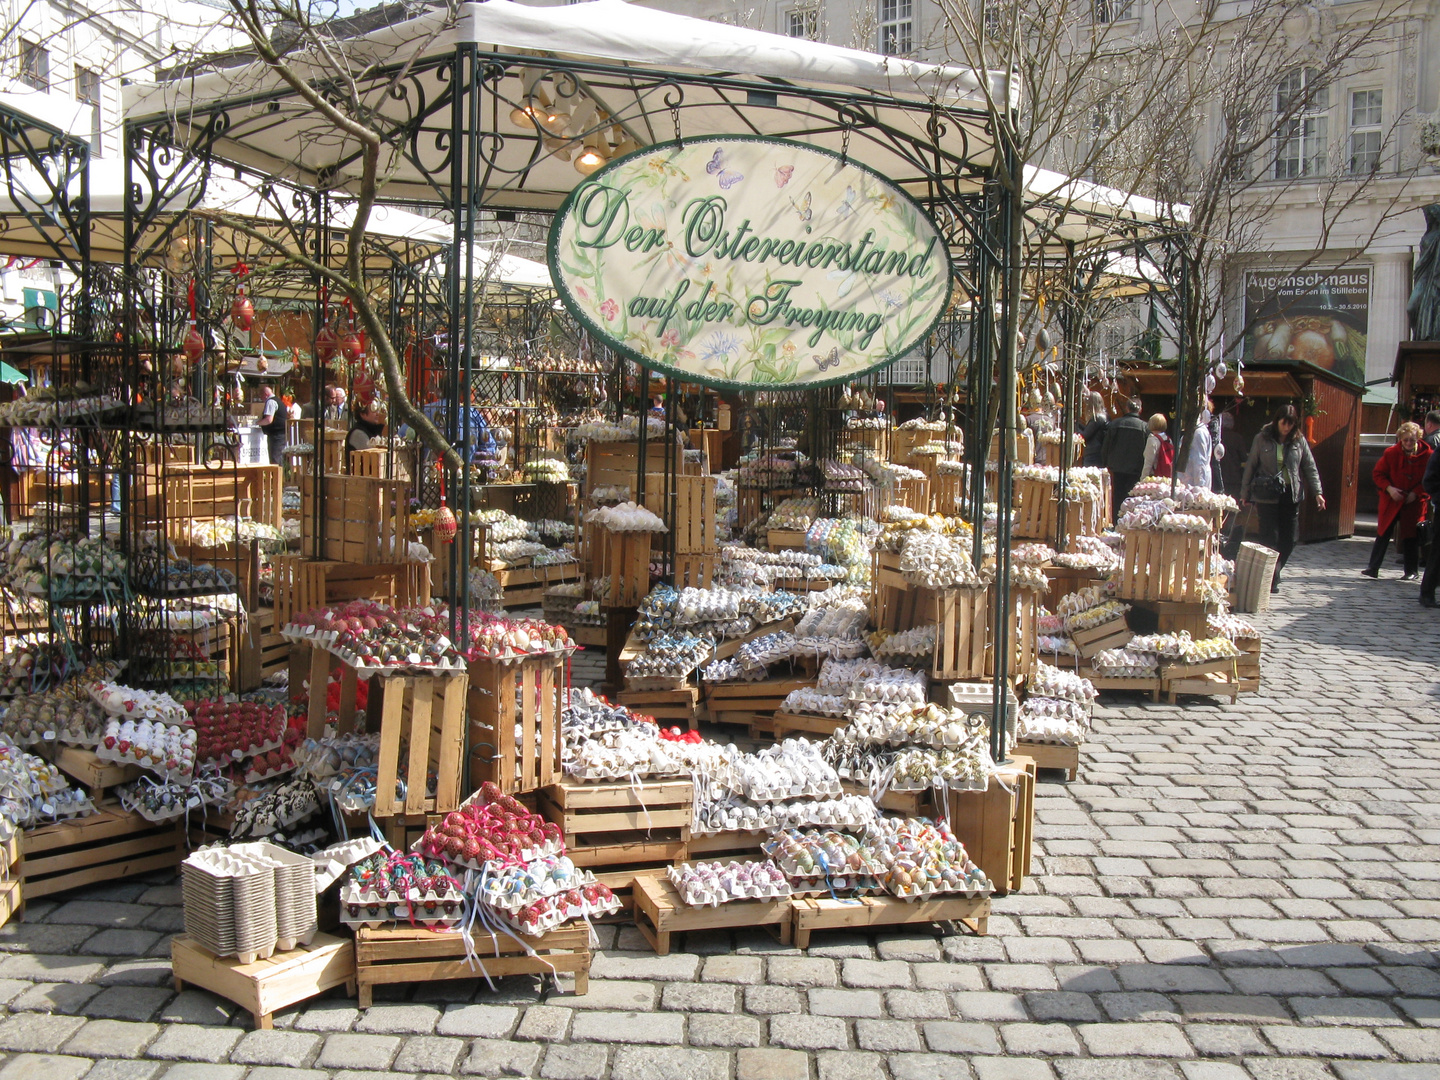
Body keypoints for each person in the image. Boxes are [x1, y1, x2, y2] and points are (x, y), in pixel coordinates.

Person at [1240, 404, 1326, 593]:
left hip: (1290, 495)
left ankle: (1274, 570)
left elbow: (1309, 466)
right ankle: (1271, 578)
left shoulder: (1298, 441)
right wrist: (1245, 493)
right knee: (1268, 538)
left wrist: (1317, 493)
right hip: (1267, 494)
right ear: (1277, 421)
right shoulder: (1262, 438)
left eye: (1290, 424)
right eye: (1283, 423)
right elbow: (1251, 465)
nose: (1286, 428)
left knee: (1290, 539)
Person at [1362, 422, 1431, 580]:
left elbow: (1430, 479)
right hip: (1392, 499)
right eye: (1405, 440)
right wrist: (1389, 489)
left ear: (1418, 439)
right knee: (1383, 532)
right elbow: (1378, 474)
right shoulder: (1391, 453)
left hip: (1413, 502)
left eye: (1411, 440)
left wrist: (1417, 492)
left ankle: (1411, 571)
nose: (1408, 443)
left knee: (1411, 535)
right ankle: (1373, 567)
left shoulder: (1428, 455)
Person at [1102, 397, 1149, 517]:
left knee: (1118, 496)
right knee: (1134, 498)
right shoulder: (1145, 427)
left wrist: (1104, 462)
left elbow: (1106, 445)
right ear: (1140, 409)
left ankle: (1117, 522)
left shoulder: (1115, 424)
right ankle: (1131, 522)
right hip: (1136, 468)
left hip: (1117, 468)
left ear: (1127, 408)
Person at [1178, 408, 1213, 491]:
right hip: (1190, 482)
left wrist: (1199, 488)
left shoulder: (1198, 433)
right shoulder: (1195, 431)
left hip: (1193, 484)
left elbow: (1199, 462)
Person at [257, 384, 286, 469]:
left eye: (261, 396)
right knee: (279, 458)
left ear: (265, 394)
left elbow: (268, 420)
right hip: (281, 433)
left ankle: (277, 480)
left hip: (276, 435)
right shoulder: (278, 400)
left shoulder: (271, 402)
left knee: (275, 459)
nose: (261, 398)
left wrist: (257, 423)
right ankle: (280, 478)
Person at [1080, 391, 1108, 468]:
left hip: (1093, 454)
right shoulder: (1102, 417)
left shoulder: (1097, 419)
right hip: (1098, 453)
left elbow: (1085, 435)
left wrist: (1075, 426)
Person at [1141, 414, 1174, 479]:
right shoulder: (1168, 439)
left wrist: (1143, 478)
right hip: (1167, 476)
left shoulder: (1152, 440)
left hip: (1155, 476)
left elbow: (1148, 462)